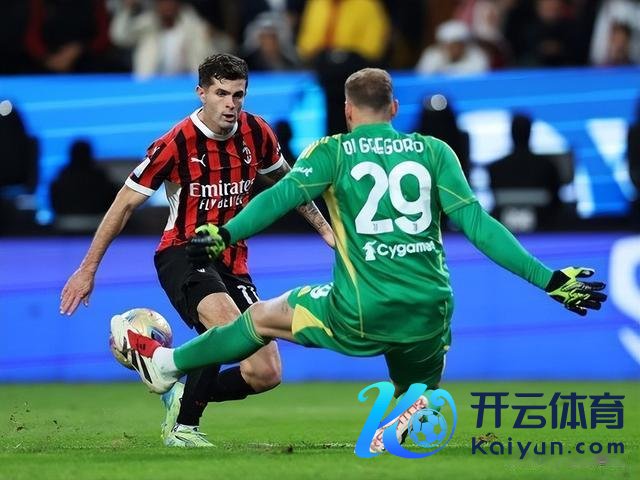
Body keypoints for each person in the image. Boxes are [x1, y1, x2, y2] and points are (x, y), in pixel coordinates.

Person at [111, 68, 607, 451]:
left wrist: (225, 233)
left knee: (259, 318)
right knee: (416, 391)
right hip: (429, 313)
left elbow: (278, 198)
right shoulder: (435, 152)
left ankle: (166, 365)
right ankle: (410, 411)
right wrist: (550, 280)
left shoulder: (333, 152)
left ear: (348, 111)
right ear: (394, 107)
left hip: (358, 310)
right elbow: (481, 227)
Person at [60, 54, 334, 447]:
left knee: (265, 372)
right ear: (201, 93)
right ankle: (183, 428)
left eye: (238, 95)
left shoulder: (257, 133)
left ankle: (175, 387)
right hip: (183, 252)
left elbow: (290, 187)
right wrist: (87, 269)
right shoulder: (175, 143)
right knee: (224, 325)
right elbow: (124, 204)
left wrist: (326, 231)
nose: (230, 104)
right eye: (221, 93)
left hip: (233, 261)